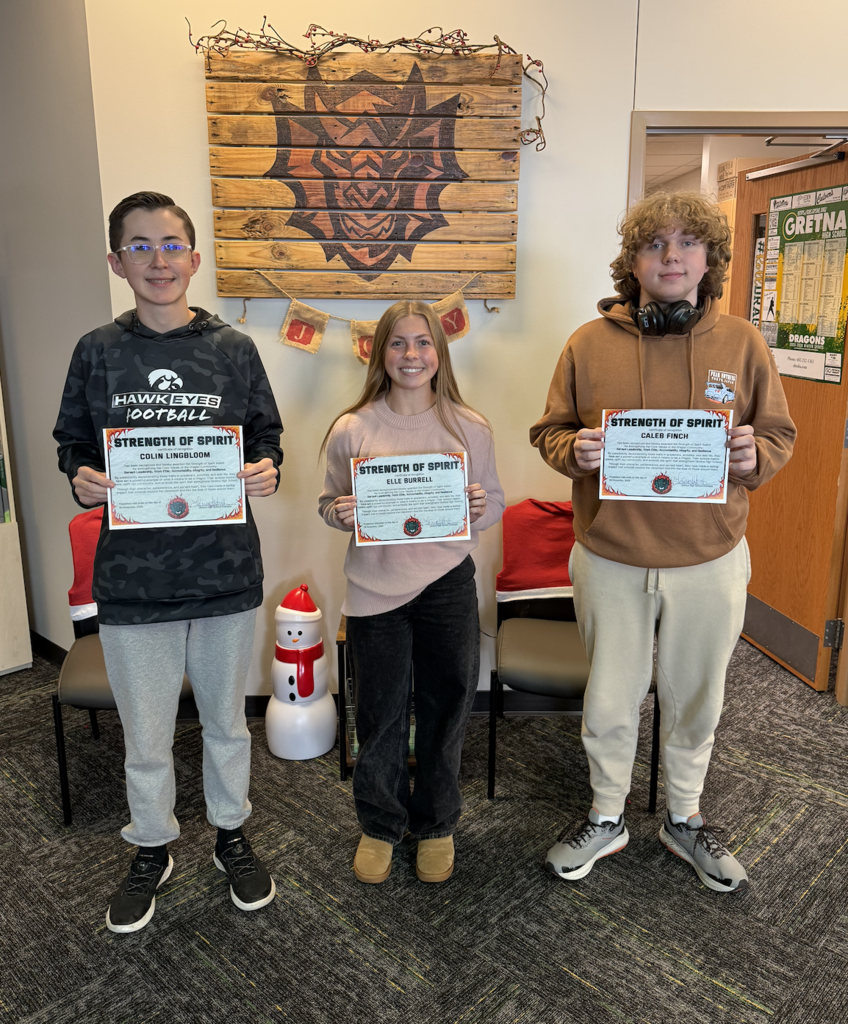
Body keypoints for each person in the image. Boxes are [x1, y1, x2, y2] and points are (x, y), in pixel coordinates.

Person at [530, 190, 795, 892]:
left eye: (687, 243)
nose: (671, 257)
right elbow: (549, 431)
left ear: (709, 260)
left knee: (697, 698)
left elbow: (779, 434)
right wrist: (573, 451)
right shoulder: (587, 344)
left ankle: (684, 817)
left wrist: (754, 457)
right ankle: (606, 816)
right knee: (609, 700)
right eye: (654, 244)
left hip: (710, 557)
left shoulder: (743, 343)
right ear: (633, 263)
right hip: (610, 556)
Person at [53, 191, 283, 931]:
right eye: (141, 246)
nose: (159, 260)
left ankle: (230, 833)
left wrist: (267, 468)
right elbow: (72, 442)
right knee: (146, 736)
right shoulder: (97, 349)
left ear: (194, 257)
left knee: (226, 724)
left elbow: (266, 435)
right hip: (133, 582)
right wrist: (81, 475)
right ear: (116, 262)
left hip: (223, 573)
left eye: (172, 244)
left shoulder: (232, 348)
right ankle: (151, 844)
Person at [319, 300, 504, 884]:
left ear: (439, 353)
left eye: (423, 343)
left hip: (447, 585)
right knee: (380, 714)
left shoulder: (470, 427)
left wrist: (480, 507)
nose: (411, 355)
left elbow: (495, 500)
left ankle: (436, 823)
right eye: (398, 343)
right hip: (374, 591)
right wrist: (340, 512)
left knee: (447, 706)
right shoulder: (351, 429)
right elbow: (328, 501)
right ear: (380, 354)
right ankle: (380, 824)